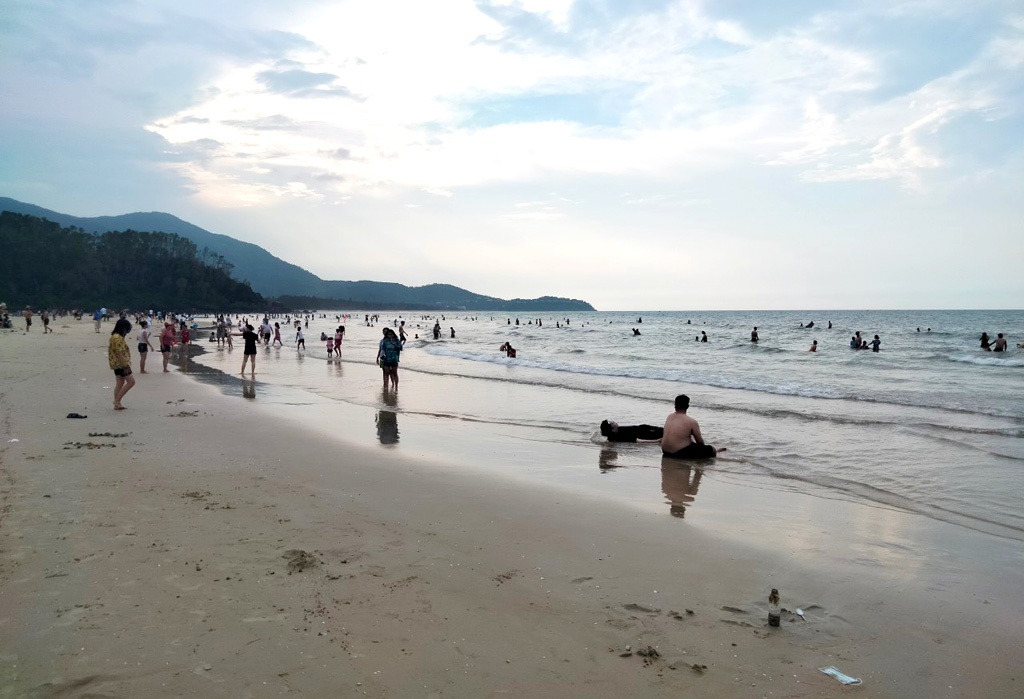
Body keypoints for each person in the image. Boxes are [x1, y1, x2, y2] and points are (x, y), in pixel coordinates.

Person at [662, 395, 721, 459]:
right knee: (711, 449)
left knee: (689, 442)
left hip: (665, 451)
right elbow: (700, 442)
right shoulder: (691, 422)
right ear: (687, 406)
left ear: (675, 405)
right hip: (679, 453)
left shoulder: (669, 417)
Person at [108, 319, 135, 410]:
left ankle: (117, 404)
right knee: (131, 382)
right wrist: (125, 365)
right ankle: (117, 401)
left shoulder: (115, 336)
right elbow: (119, 353)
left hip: (116, 363)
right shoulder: (117, 338)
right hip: (121, 364)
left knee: (120, 383)